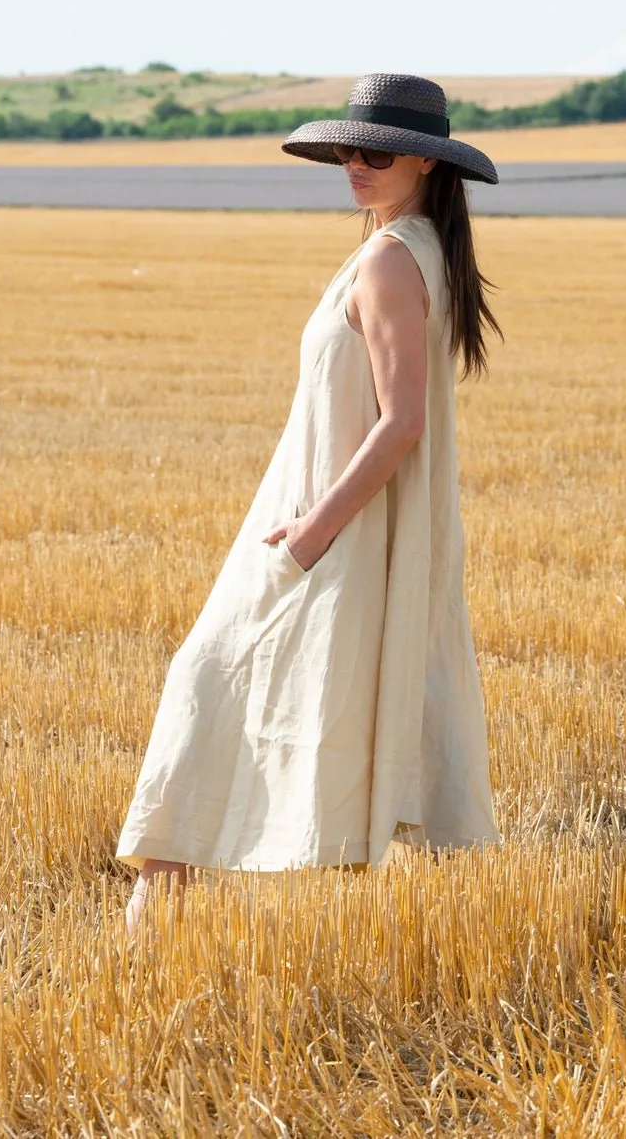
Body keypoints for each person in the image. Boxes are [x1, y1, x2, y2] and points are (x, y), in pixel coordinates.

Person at [116, 72, 504, 939]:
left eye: (377, 150)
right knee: (220, 689)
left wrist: (312, 536)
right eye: (347, 148)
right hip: (333, 524)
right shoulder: (415, 249)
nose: (354, 164)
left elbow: (402, 422)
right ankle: (153, 936)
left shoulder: (390, 257)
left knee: (203, 680)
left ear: (428, 165)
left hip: (325, 530)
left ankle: (144, 941)